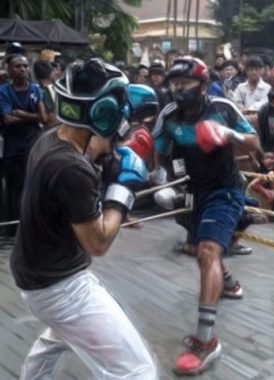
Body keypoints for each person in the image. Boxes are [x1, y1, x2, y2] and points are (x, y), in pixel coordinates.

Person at [10, 58, 157, 380]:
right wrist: (122, 189)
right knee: (137, 371)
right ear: (104, 113)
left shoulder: (50, 139)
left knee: (55, 340)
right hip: (60, 287)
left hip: (34, 272)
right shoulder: (72, 169)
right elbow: (97, 242)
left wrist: (100, 157)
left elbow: (76, 172)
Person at [152, 56, 259, 375]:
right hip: (195, 191)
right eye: (174, 84)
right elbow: (160, 152)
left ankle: (207, 341)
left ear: (201, 85)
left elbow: (255, 141)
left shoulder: (223, 107)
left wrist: (228, 134)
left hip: (226, 190)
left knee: (208, 251)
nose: (177, 89)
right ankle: (228, 284)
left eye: (184, 84)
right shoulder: (169, 115)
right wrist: (162, 179)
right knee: (202, 249)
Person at [0, 54, 47, 236]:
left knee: (31, 186)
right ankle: (12, 228)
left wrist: (21, 113)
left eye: (25, 66)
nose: (23, 69)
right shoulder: (4, 91)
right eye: (18, 66)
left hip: (32, 145)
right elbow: (7, 119)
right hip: (13, 147)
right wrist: (31, 116)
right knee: (13, 188)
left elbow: (43, 118)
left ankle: (28, 227)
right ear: (10, 70)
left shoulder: (35, 89)